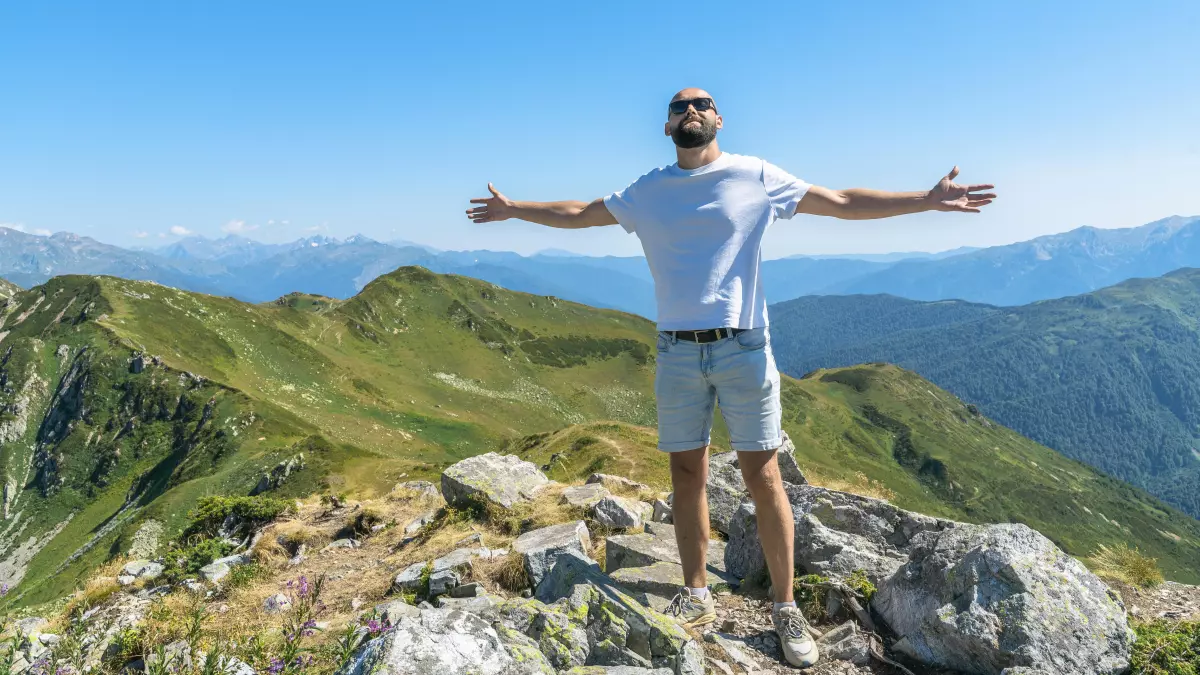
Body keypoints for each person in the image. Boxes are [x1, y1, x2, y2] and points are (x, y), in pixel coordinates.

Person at [465, 87, 996, 669]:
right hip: (676, 351)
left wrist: (927, 198)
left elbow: (841, 201)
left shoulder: (755, 176)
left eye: (701, 103)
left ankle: (785, 606)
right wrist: (516, 209)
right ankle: (697, 595)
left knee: (762, 474)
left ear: (718, 119)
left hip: (744, 346)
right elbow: (582, 213)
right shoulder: (649, 190)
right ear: (667, 127)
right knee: (685, 472)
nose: (690, 110)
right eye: (678, 106)